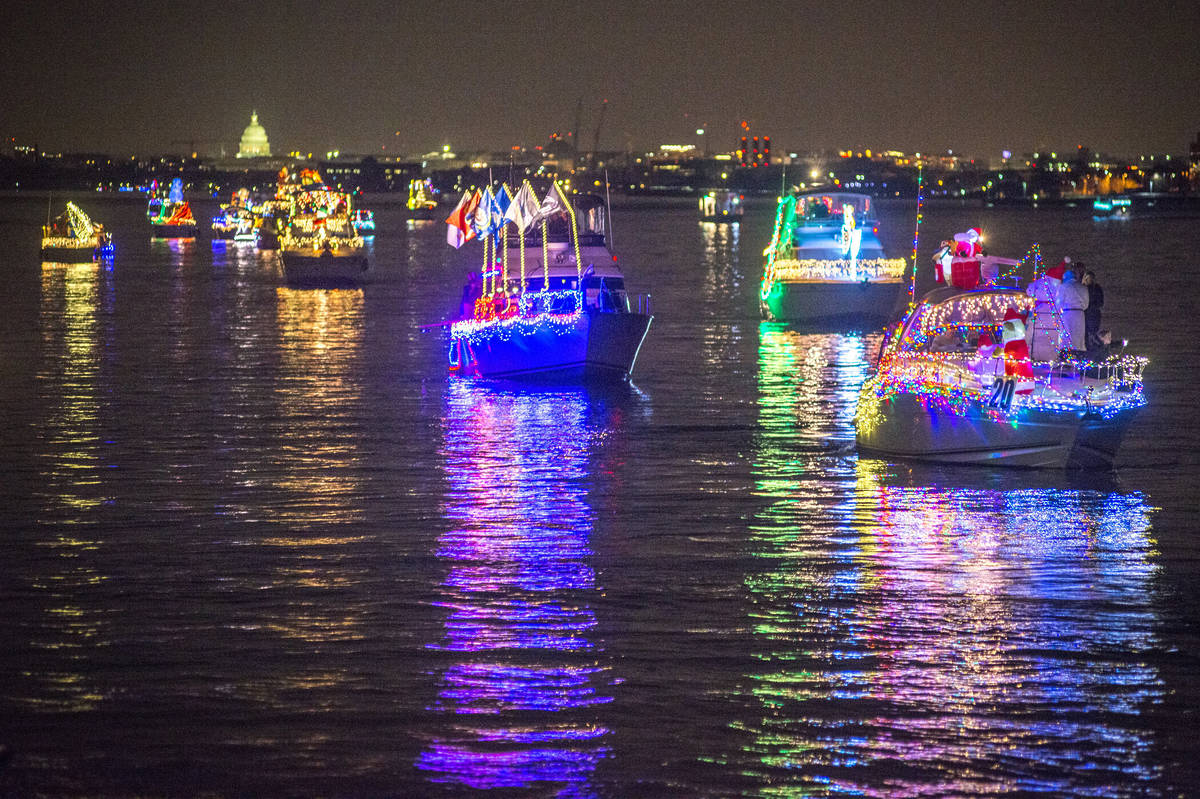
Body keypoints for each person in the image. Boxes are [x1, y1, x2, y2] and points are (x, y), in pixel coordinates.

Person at [1055, 269, 1089, 353]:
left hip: (1068, 313)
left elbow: (1059, 302)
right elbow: (1086, 304)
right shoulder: (1083, 287)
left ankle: (1066, 354)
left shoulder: (1063, 286)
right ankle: (1079, 354)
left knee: (1067, 335)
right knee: (1078, 335)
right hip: (1080, 314)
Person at [1082, 269, 1105, 351]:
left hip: (1093, 313)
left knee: (1093, 333)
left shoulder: (1096, 288)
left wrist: (1092, 305)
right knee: (1086, 334)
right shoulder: (1083, 288)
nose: (1090, 280)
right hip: (1086, 314)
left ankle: (1099, 349)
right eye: (1088, 278)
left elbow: (1100, 302)